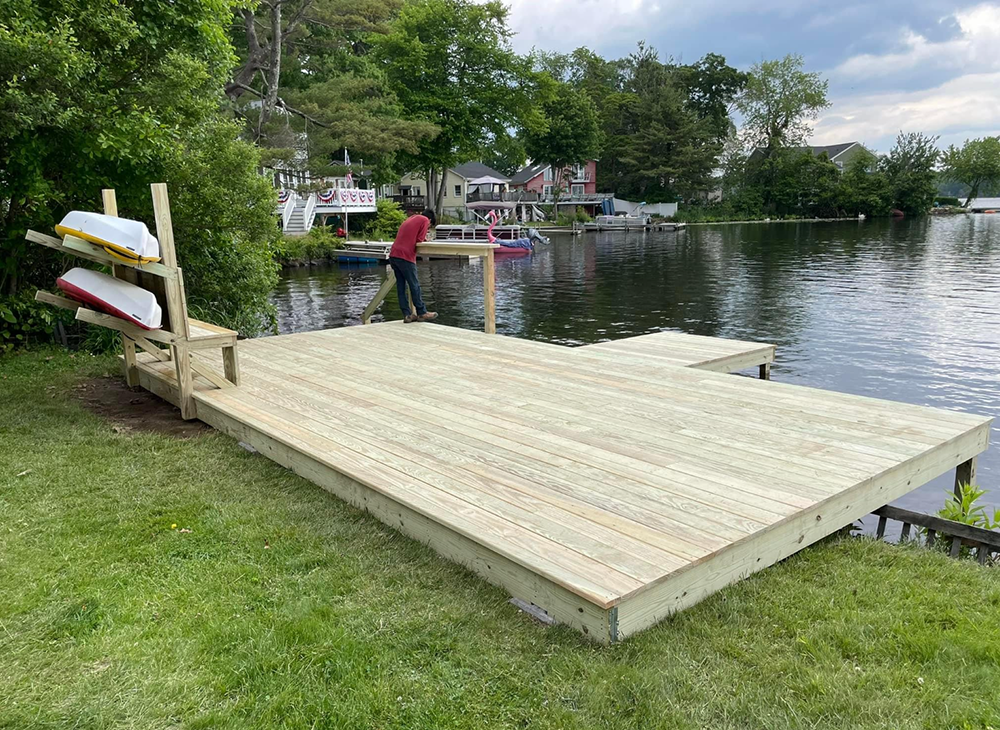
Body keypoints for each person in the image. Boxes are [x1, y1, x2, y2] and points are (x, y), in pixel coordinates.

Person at [388, 208, 438, 323]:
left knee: (401, 286)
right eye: (429, 226)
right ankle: (421, 312)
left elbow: (411, 235)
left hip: (394, 254)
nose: (428, 228)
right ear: (430, 220)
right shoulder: (425, 220)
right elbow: (419, 239)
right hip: (405, 256)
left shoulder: (412, 218)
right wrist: (426, 239)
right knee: (414, 285)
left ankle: (407, 314)